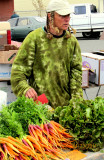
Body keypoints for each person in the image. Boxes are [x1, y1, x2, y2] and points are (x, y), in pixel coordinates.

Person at [11, 0, 83, 108]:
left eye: (68, 15)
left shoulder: (71, 41)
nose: (67, 19)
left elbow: (76, 73)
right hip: (40, 107)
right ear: (50, 16)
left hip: (65, 108)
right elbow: (18, 72)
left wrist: (76, 101)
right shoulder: (34, 39)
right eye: (62, 15)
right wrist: (25, 89)